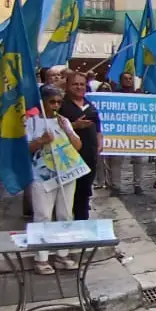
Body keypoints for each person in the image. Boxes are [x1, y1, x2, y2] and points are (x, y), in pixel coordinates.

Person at [26, 84, 83, 275]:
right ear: (43, 102)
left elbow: (77, 144)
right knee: (43, 214)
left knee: (65, 213)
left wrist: (67, 130)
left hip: (66, 172)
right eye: (52, 102)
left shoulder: (63, 120)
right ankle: (41, 257)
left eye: (59, 102)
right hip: (42, 174)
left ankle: (62, 254)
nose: (56, 105)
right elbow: (26, 148)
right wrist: (41, 141)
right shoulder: (32, 121)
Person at [59, 72, 100, 220]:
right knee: (69, 196)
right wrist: (75, 125)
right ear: (67, 86)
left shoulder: (90, 105)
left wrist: (99, 144)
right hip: (68, 158)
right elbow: (54, 128)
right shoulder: (61, 105)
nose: (79, 87)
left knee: (84, 193)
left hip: (89, 157)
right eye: (75, 84)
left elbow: (98, 128)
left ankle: (83, 224)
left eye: (82, 84)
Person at [106, 72, 145, 195]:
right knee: (116, 160)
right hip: (120, 132)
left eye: (130, 78)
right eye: (126, 79)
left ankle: (138, 185)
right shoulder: (115, 95)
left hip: (136, 131)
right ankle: (116, 186)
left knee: (138, 160)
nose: (128, 81)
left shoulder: (138, 94)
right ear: (121, 80)